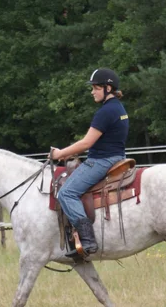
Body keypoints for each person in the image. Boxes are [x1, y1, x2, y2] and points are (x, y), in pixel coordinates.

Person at [50, 68, 129, 257]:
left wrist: (60, 153)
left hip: (101, 160)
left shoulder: (105, 112)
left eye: (95, 87)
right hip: (117, 157)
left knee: (66, 193)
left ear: (108, 88)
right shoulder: (119, 108)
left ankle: (87, 240)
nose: (92, 91)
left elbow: (86, 143)